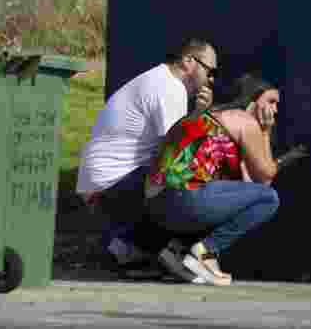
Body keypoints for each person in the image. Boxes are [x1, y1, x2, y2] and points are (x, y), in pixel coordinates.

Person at [75, 38, 217, 272]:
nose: (211, 79)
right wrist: (201, 115)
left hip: (103, 184)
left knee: (183, 175)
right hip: (110, 187)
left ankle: (132, 247)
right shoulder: (170, 89)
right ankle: (144, 248)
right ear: (188, 61)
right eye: (209, 70)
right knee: (188, 179)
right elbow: (176, 153)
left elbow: (174, 141)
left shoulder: (159, 79)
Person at [145, 73, 284, 286]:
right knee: (269, 199)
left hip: (156, 207)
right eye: (271, 102)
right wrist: (266, 132)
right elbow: (265, 178)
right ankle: (205, 252)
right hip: (185, 200)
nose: (275, 110)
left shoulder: (211, 116)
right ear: (253, 101)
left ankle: (176, 252)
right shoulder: (245, 120)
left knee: (225, 197)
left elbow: (246, 187)